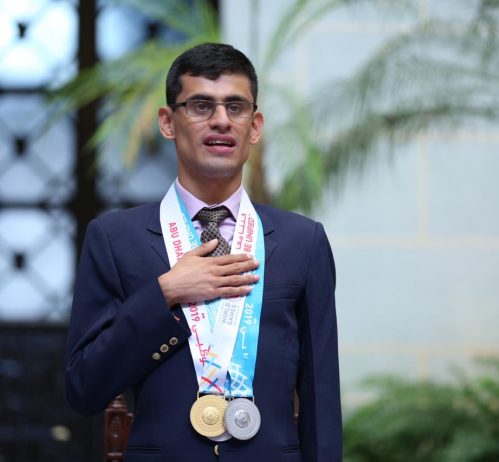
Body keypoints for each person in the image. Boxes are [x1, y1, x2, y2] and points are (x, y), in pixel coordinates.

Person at [65, 42, 341, 461]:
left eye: (236, 107)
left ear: (255, 126)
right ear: (168, 122)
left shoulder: (303, 241)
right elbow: (84, 388)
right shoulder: (115, 238)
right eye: (200, 106)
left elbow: (321, 402)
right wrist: (163, 294)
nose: (221, 120)